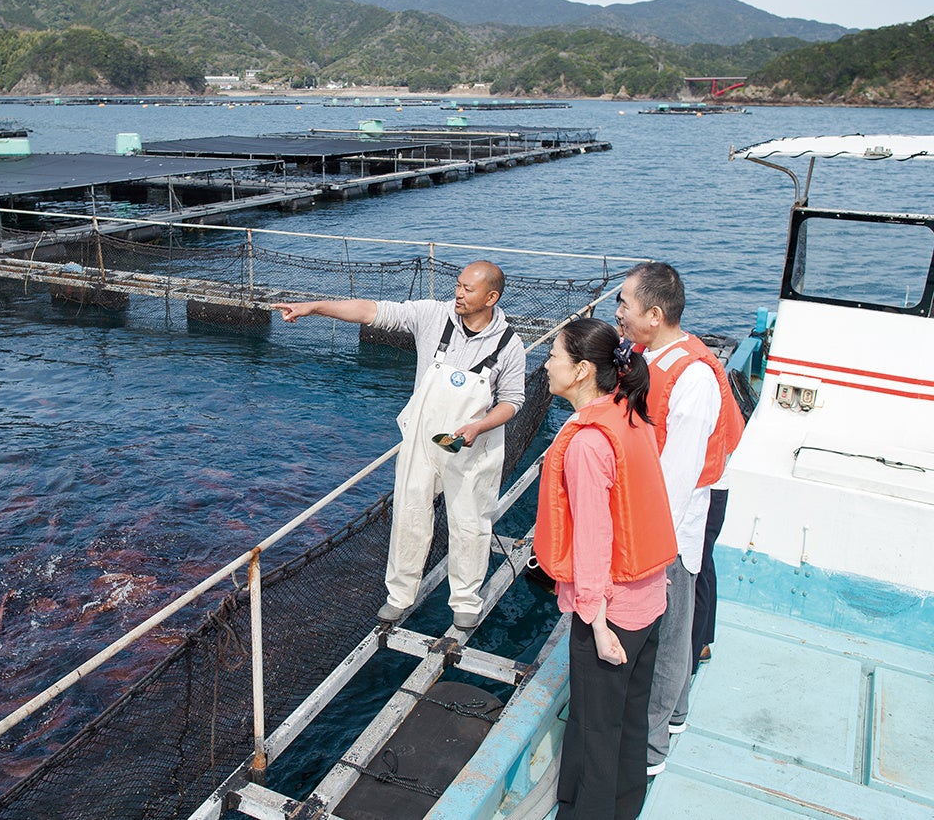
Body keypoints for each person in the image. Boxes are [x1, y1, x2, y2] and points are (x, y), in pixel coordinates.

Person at [273, 260, 525, 630]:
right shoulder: (431, 315)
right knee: (409, 514)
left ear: (491, 297)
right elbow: (370, 311)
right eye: (457, 285)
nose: (457, 292)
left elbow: (513, 401)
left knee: (470, 522)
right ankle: (400, 595)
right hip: (423, 440)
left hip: (473, 447)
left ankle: (466, 599)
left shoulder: (510, 345)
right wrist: (314, 307)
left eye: (467, 289)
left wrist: (479, 426)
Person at [532, 317, 676, 820]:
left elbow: (594, 539)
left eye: (554, 355)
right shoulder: (628, 414)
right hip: (650, 598)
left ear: (581, 371)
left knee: (596, 730)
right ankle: (624, 808)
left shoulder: (590, 443)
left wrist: (594, 622)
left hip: (611, 613)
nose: (546, 363)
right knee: (629, 720)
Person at [614, 262, 743, 776]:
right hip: (662, 506)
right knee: (675, 618)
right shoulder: (650, 354)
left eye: (624, 304)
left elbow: (679, 474)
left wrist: (645, 543)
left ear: (655, 314)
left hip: (680, 513)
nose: (617, 313)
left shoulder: (692, 377)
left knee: (669, 626)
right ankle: (678, 713)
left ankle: (651, 747)